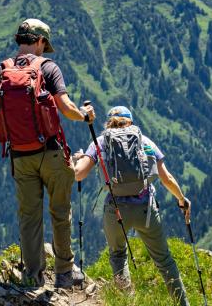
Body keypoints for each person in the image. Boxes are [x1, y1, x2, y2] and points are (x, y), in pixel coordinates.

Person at [0, 18, 96, 289]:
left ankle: (33, 276)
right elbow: (65, 107)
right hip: (53, 152)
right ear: (40, 41)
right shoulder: (47, 67)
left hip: (20, 155)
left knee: (30, 216)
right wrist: (85, 116)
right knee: (60, 211)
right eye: (46, 44)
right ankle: (65, 274)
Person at [73, 106, 191, 306]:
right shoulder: (144, 141)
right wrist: (182, 199)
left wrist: (75, 160)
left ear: (109, 123)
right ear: (131, 122)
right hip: (146, 209)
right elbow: (166, 178)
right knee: (164, 260)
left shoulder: (100, 142)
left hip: (116, 210)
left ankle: (128, 302)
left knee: (118, 256)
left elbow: (78, 174)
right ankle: (183, 304)